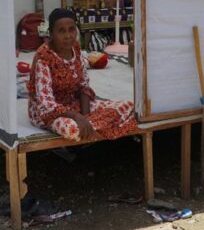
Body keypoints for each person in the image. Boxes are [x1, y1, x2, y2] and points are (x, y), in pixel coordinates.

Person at [27, 8, 137, 141]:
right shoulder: (43, 58)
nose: (68, 36)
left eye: (71, 29)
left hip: (74, 105)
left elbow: (84, 86)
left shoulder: (76, 49)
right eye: (61, 31)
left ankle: (91, 128)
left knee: (129, 106)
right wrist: (77, 117)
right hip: (49, 113)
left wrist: (85, 117)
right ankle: (100, 128)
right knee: (72, 128)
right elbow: (46, 104)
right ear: (51, 33)